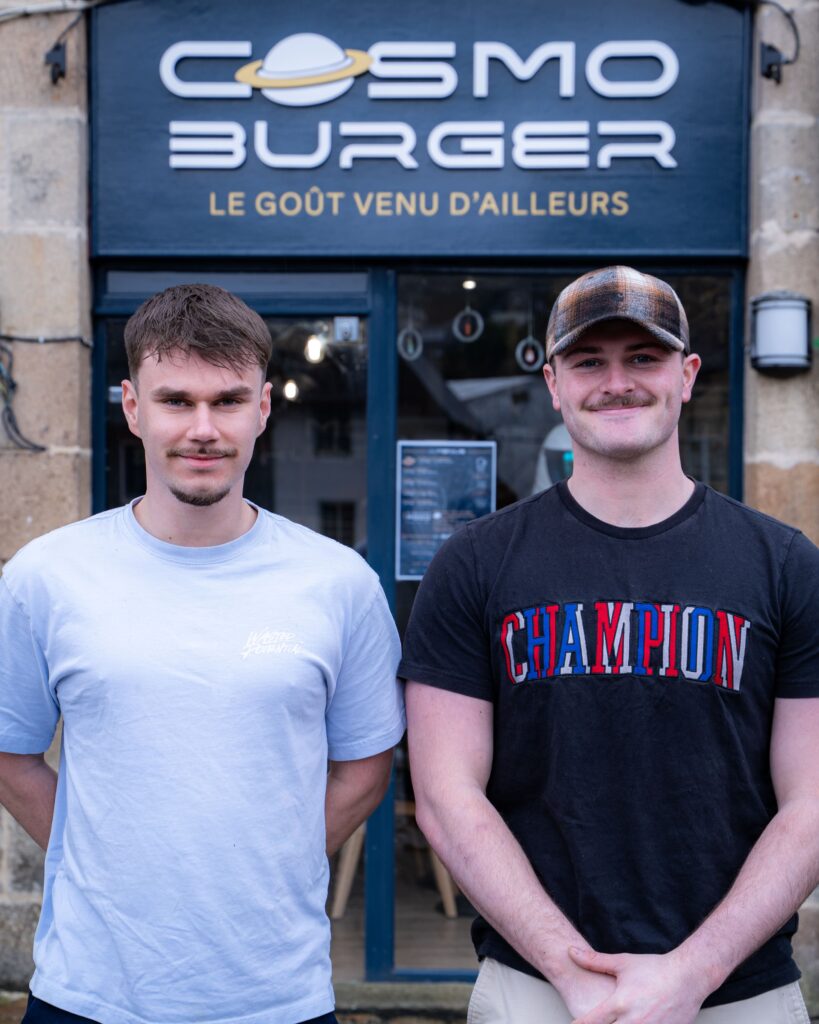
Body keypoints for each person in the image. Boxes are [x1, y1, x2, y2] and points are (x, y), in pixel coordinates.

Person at [400, 266, 819, 1024]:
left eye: (643, 358)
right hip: (536, 989)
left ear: (686, 375)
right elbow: (445, 796)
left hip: (739, 995)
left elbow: (812, 801)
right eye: (589, 361)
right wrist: (572, 972)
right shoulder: (475, 564)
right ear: (553, 382)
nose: (615, 382)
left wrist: (693, 972)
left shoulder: (783, 564)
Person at [0, 284, 405, 1024]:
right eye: (176, 401)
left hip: (274, 996)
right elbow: (9, 753)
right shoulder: (45, 576)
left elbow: (363, 767)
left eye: (226, 400)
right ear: (131, 408)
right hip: (90, 993)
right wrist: (109, 854)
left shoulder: (337, 582)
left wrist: (269, 857)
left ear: (262, 408)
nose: (202, 428)